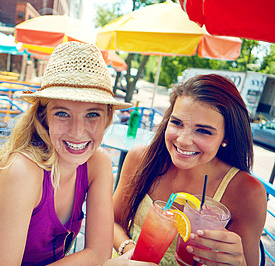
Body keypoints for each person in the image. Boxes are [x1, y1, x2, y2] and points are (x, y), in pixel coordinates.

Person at [0, 41, 134, 265]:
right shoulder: (23, 171)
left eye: (92, 115)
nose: (78, 132)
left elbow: (99, 253)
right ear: (43, 116)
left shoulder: (98, 164)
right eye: (62, 113)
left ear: (107, 117)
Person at [112, 74, 267, 265]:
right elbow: (111, 221)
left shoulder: (248, 193)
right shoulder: (140, 158)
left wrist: (238, 262)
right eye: (177, 123)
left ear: (226, 137)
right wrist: (131, 252)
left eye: (203, 131)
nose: (183, 140)